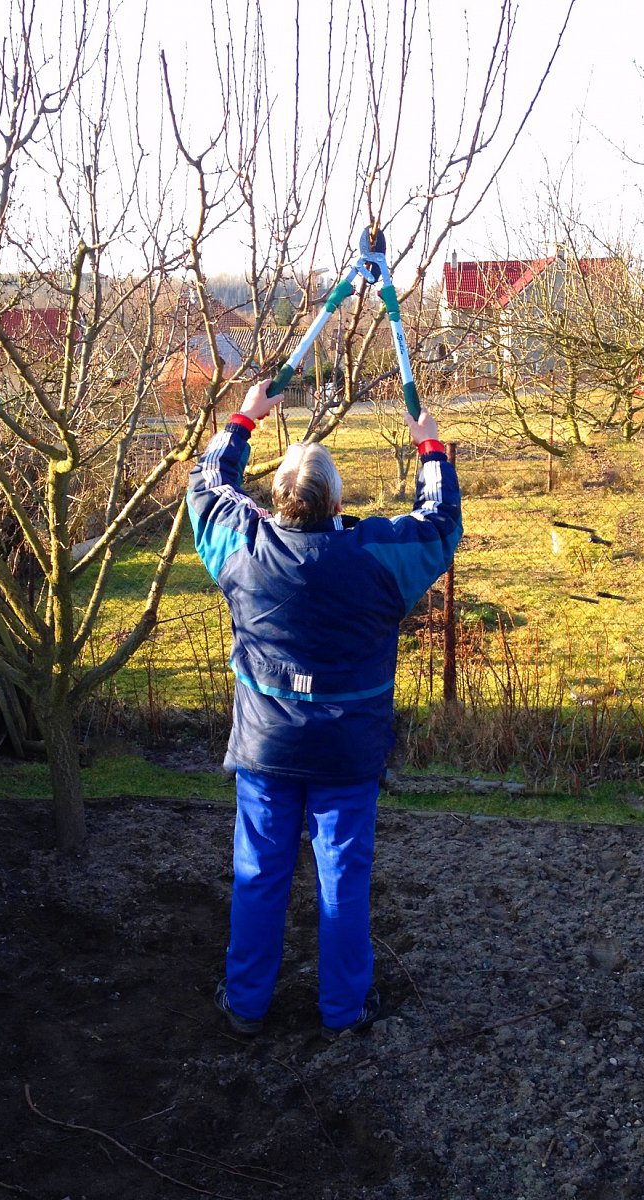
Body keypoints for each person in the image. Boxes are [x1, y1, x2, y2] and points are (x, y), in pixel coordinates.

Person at [187, 378, 461, 1039]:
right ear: (336, 501)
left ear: (279, 498)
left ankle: (247, 1004)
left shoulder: (243, 549)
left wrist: (244, 421)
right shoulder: (375, 557)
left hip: (267, 750)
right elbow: (439, 525)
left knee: (258, 876)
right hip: (346, 755)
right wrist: (430, 447)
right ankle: (343, 1011)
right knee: (342, 880)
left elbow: (204, 490)